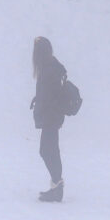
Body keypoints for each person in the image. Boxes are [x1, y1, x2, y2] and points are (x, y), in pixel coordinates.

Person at [32, 35, 72, 202]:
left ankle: (57, 187)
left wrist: (43, 105)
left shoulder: (49, 69)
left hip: (51, 117)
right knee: (49, 150)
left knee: (48, 151)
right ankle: (56, 186)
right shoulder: (51, 66)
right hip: (52, 116)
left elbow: (51, 94)